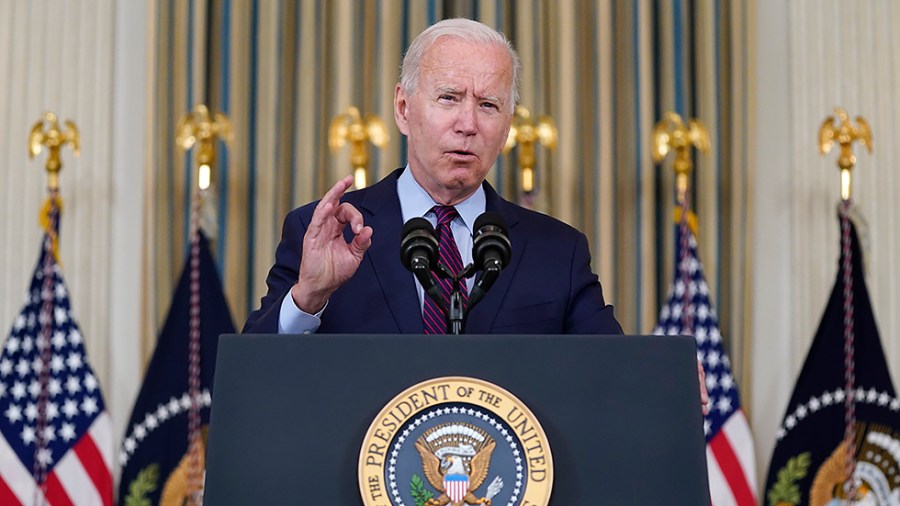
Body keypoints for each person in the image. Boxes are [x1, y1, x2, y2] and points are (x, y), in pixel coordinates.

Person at [243, 18, 622, 336]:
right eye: (449, 98)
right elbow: (252, 379)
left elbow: (617, 377)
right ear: (404, 109)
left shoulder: (558, 251)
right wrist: (308, 297)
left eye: (488, 105)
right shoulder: (324, 233)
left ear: (506, 128)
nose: (468, 125)